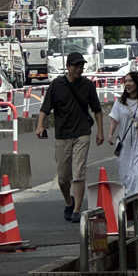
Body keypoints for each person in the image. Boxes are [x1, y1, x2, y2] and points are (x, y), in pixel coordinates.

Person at [36, 51, 104, 223]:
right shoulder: (56, 85)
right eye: (76, 65)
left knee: (78, 173)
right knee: (63, 177)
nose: (80, 68)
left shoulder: (88, 85)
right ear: (68, 67)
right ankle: (69, 201)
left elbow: (97, 110)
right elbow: (45, 108)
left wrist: (101, 132)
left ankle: (77, 209)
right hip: (62, 135)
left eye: (81, 65)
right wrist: (40, 125)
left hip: (82, 133)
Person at [108, 69, 138, 212]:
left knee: (137, 175)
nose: (127, 84)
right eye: (126, 81)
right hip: (124, 144)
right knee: (126, 176)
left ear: (137, 83)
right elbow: (114, 120)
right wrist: (110, 135)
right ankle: (129, 208)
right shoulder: (120, 102)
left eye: (130, 81)